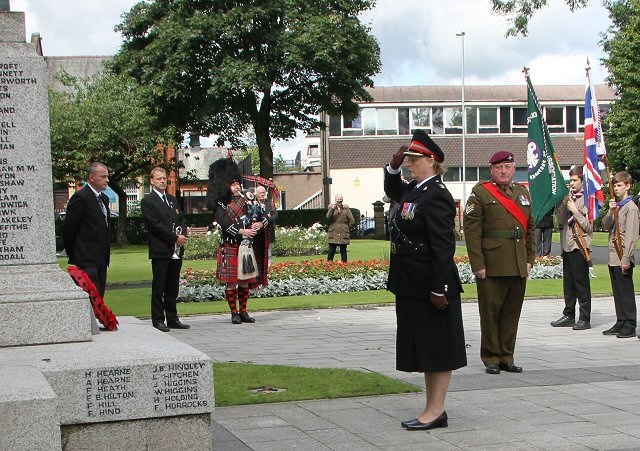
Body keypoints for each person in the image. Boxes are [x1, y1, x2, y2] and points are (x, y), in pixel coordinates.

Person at [384, 129, 466, 431]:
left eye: (414, 159)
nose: (409, 164)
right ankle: (432, 408)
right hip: (411, 283)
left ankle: (436, 410)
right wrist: (393, 166)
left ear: (431, 161)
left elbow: (444, 247)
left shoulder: (437, 196)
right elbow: (394, 188)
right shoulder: (416, 190)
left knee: (437, 349)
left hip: (430, 285)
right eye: (407, 160)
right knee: (424, 349)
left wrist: (437, 288)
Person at [464, 151, 535, 375]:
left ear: (514, 168)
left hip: (517, 263)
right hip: (492, 264)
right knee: (490, 313)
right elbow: (472, 233)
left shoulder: (522, 193)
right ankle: (491, 357)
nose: (503, 171)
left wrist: (530, 259)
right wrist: (478, 264)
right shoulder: (481, 194)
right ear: (491, 170)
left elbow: (530, 229)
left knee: (511, 314)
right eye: (499, 168)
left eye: (507, 167)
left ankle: (507, 356)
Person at [207, 158, 269, 324]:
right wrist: (243, 231)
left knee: (244, 281)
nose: (236, 187)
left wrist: (258, 224)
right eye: (233, 184)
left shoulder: (248, 199)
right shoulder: (220, 203)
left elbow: (264, 217)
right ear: (225, 184)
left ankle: (243, 312)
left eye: (237, 183)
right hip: (230, 244)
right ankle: (234, 313)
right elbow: (224, 223)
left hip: (246, 246)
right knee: (231, 282)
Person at [62, 162, 112, 334]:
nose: (107, 180)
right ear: (92, 177)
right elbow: (69, 229)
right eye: (103, 176)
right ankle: (87, 324)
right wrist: (75, 254)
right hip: (86, 256)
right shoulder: (81, 198)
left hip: (101, 257)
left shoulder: (103, 198)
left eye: (107, 176)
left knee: (99, 292)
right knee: (90, 292)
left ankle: (97, 321)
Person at [140, 167, 190, 332]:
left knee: (172, 286)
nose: (163, 181)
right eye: (159, 178)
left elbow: (181, 219)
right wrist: (174, 237)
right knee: (159, 286)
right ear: (152, 181)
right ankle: (158, 319)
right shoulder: (148, 201)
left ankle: (173, 318)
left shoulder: (172, 199)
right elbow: (155, 225)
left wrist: (182, 234)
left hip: (175, 250)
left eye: (164, 178)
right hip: (161, 250)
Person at [550, 166, 593, 330]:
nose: (572, 184)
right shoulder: (569, 198)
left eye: (575, 180)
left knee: (581, 283)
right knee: (568, 284)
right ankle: (569, 314)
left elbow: (588, 226)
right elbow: (560, 219)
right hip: (567, 245)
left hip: (580, 246)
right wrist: (564, 204)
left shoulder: (588, 200)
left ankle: (584, 317)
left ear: (583, 181)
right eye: (571, 180)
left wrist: (575, 210)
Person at [601, 171, 639, 339]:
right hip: (613, 255)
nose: (616, 188)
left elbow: (631, 235)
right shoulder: (618, 206)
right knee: (617, 292)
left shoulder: (631, 208)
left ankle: (630, 323)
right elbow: (604, 225)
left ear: (628, 186)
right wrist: (610, 211)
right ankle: (621, 320)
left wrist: (626, 258)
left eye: (619, 185)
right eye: (614, 185)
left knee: (626, 292)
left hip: (623, 254)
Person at [326, 194, 355, 262]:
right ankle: (328, 266)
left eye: (340, 199)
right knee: (331, 251)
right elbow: (328, 217)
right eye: (338, 199)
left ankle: (344, 266)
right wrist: (332, 208)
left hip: (343, 232)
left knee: (343, 251)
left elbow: (352, 220)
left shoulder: (346, 209)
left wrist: (346, 227)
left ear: (342, 200)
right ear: (335, 200)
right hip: (333, 232)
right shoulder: (331, 208)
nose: (339, 201)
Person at [255, 185, 278, 267]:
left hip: (269, 232)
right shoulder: (253, 204)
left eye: (263, 193)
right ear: (256, 194)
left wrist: (268, 219)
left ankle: (269, 269)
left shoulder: (270, 203)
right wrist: (267, 216)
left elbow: (275, 216)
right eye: (260, 193)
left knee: (269, 254)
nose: (262, 194)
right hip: (257, 234)